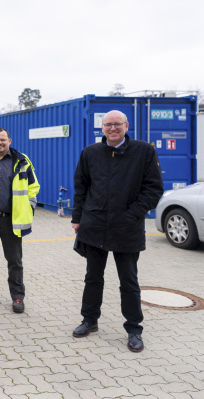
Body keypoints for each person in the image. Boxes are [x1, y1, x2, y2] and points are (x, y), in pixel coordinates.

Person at [71, 110, 163, 352]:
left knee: (129, 281)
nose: (112, 128)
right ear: (102, 128)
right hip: (95, 226)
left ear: (126, 126)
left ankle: (134, 328)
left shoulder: (144, 151)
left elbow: (154, 188)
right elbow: (81, 187)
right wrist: (77, 218)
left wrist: (133, 213)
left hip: (127, 228)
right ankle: (89, 321)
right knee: (93, 278)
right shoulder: (91, 153)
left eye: (117, 124)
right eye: (108, 125)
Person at [0, 128, 40, 313]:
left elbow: (33, 186)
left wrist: (30, 206)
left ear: (9, 141)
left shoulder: (22, 161)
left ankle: (17, 296)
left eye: (3, 140)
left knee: (14, 261)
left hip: (12, 219)